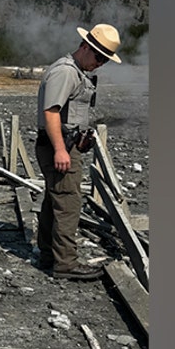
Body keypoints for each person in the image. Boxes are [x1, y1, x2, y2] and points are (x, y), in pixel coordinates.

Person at [33, 23, 123, 281]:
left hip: (64, 143)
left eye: (105, 60)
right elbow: (51, 112)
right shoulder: (66, 72)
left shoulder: (75, 71)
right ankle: (66, 264)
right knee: (69, 203)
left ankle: (49, 255)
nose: (100, 63)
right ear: (85, 47)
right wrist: (61, 149)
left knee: (55, 200)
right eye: (99, 57)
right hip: (58, 146)